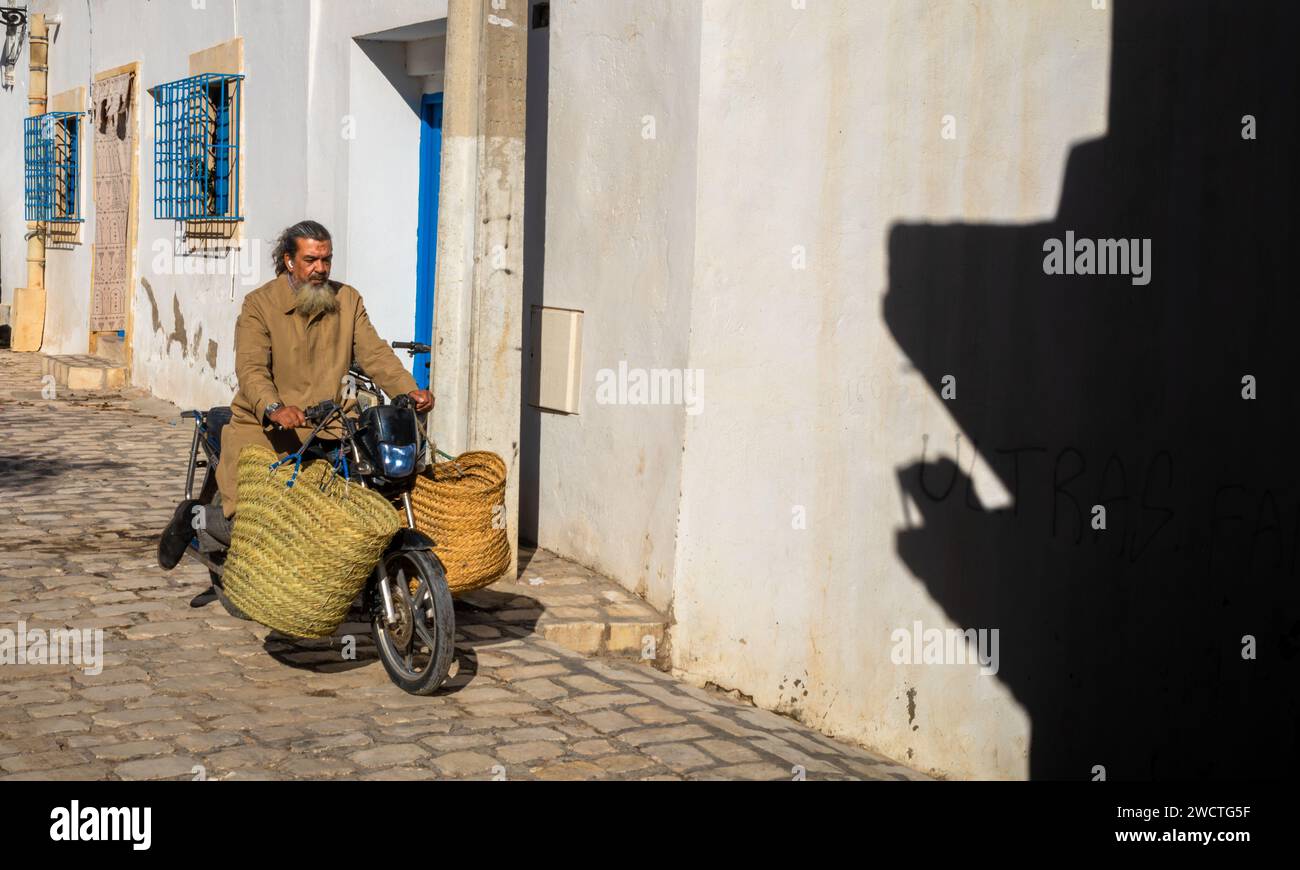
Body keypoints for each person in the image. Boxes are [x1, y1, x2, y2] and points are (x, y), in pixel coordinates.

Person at [158, 219, 433, 567]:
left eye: (326, 260)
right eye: (311, 260)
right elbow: (252, 368)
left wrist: (409, 390)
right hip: (268, 428)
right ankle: (198, 519)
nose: (320, 269)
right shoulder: (260, 304)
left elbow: (374, 353)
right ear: (289, 261)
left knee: (370, 495)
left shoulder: (347, 300)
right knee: (254, 516)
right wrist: (275, 407)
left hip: (332, 423)